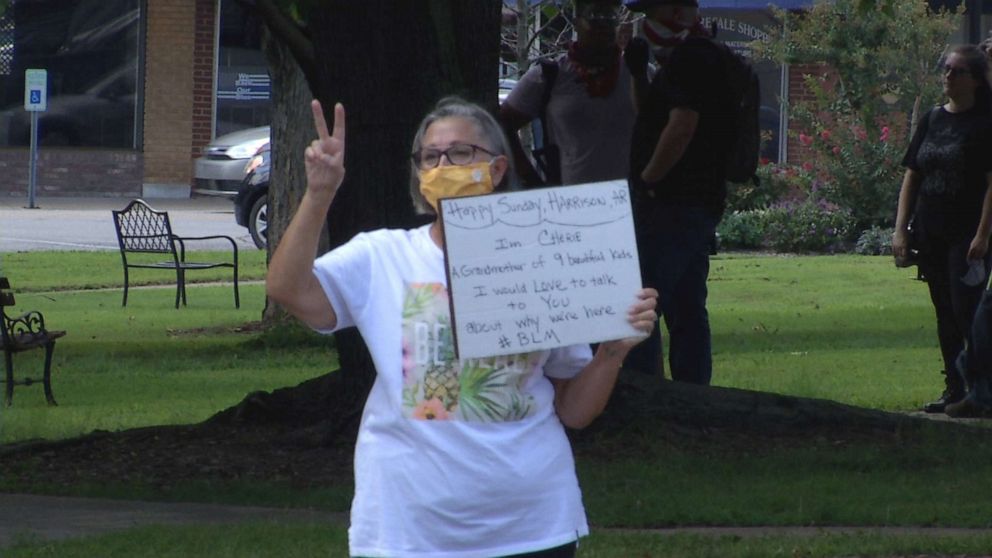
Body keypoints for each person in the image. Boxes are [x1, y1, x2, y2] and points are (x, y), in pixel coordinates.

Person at [267, 96, 658, 557]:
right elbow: (288, 290)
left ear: (495, 169)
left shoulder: (545, 261)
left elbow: (574, 410)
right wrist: (319, 194)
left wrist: (612, 352)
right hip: (408, 530)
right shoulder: (383, 257)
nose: (442, 165)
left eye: (459, 153)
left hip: (532, 526)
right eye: (429, 157)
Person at [621, 0, 733, 385]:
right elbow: (652, 115)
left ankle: (646, 392)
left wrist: (649, 180)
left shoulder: (693, 58)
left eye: (652, 10)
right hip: (688, 203)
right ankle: (692, 394)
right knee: (686, 304)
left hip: (675, 202)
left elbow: (682, 125)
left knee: (644, 301)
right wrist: (638, 74)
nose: (646, 20)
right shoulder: (680, 59)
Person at [893, 44, 992, 414]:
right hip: (931, 229)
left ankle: (980, 391)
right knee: (943, 312)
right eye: (945, 69)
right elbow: (912, 175)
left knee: (967, 310)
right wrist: (900, 230)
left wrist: (983, 234)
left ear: (976, 81)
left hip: (967, 235)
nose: (948, 76)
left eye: (957, 71)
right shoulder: (933, 119)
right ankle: (954, 387)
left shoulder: (984, 124)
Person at [499, 0, 636, 187]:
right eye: (595, 16)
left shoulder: (639, 73)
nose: (604, 24)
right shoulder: (548, 76)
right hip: (568, 202)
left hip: (632, 203)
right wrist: (532, 181)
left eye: (611, 17)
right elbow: (502, 126)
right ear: (576, 22)